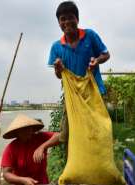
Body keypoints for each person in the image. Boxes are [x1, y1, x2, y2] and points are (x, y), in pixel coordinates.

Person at [48, 0, 110, 143]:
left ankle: (98, 161)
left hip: (94, 92)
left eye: (71, 17)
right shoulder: (56, 47)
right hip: (72, 96)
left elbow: (106, 54)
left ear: (77, 19)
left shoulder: (90, 36)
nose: (67, 22)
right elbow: (59, 76)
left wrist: (97, 60)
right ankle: (74, 161)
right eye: (63, 19)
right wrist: (58, 69)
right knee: (67, 134)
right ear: (59, 23)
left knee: (99, 130)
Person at [1, 114, 59, 185]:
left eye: (29, 128)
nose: (28, 131)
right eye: (24, 129)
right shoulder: (11, 148)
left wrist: (42, 147)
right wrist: (23, 180)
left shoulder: (40, 137)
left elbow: (59, 136)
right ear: (17, 132)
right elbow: (6, 174)